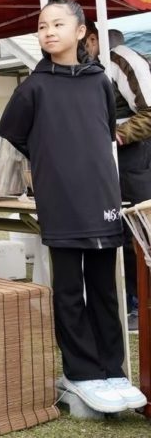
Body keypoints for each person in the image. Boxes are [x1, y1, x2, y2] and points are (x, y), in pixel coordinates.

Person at [0, 0, 145, 413]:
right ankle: (81, 371)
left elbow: (103, 131)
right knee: (67, 289)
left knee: (105, 286)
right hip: (60, 198)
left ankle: (111, 368)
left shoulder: (100, 80)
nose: (48, 31)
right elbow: (13, 131)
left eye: (57, 24)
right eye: (42, 25)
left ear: (81, 32)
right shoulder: (34, 86)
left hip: (102, 194)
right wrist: (51, 157)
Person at [85, 22, 151, 328]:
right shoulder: (95, 66)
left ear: (92, 38)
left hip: (135, 158)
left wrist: (118, 135)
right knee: (121, 232)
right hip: (112, 161)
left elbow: (150, 112)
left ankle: (141, 303)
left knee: (140, 231)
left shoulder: (122, 59)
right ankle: (132, 301)